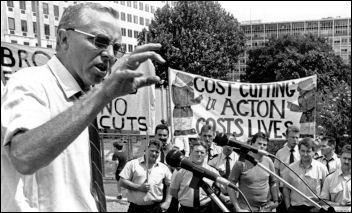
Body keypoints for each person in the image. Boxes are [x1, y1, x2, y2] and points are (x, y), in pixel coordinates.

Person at [1, 2, 165, 212]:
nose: (110, 54)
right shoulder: (31, 83)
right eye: (100, 41)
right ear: (63, 39)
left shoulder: (85, 100)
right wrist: (103, 94)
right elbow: (23, 156)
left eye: (116, 47)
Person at [228, 132, 279, 212]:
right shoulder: (241, 162)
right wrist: (238, 208)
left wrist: (275, 202)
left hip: (266, 208)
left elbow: (273, 182)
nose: (262, 146)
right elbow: (230, 185)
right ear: (252, 144)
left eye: (264, 145)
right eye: (259, 143)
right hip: (246, 207)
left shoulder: (269, 161)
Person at [119, 139, 172, 213]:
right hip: (135, 209)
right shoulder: (133, 164)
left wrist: (168, 201)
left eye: (157, 152)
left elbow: (170, 184)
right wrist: (139, 187)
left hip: (155, 208)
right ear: (146, 150)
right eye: (152, 150)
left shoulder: (163, 168)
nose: (154, 154)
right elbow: (122, 182)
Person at [170, 140, 220, 213]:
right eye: (196, 151)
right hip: (186, 210)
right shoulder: (180, 171)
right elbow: (174, 192)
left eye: (202, 152)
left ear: (206, 154)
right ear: (191, 151)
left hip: (206, 208)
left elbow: (219, 189)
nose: (199, 154)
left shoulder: (212, 172)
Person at [282, 137, 328, 213]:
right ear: (299, 151)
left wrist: (321, 207)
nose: (305, 154)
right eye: (302, 151)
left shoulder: (322, 168)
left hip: (315, 209)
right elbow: (286, 188)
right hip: (295, 209)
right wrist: (288, 207)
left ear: (313, 152)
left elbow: (326, 191)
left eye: (308, 151)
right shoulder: (290, 168)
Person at [274, 125, 301, 211]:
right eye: (292, 137)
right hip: (283, 189)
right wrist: (277, 190)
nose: (295, 140)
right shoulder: (280, 153)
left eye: (297, 137)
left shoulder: (302, 153)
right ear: (286, 137)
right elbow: (276, 173)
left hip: (298, 190)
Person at [208, 142, 239, 210]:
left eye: (231, 145)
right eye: (228, 144)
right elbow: (208, 181)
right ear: (223, 144)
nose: (229, 147)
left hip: (236, 197)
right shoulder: (214, 160)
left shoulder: (239, 160)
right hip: (218, 197)